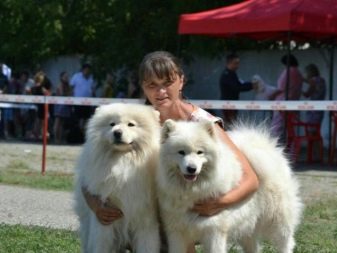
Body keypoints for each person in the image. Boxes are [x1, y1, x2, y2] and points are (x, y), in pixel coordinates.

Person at [82, 51, 259, 252]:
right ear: (143, 87)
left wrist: (219, 203)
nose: (160, 92)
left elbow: (251, 180)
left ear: (181, 81)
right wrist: (95, 204)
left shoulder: (203, 124)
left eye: (167, 83)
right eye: (152, 85)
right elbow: (90, 170)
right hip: (144, 212)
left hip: (184, 214)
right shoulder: (136, 119)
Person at [269, 54, 303, 140]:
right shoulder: (298, 73)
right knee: (290, 129)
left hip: (282, 102)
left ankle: (272, 146)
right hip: (294, 103)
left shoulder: (288, 72)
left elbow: (281, 88)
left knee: (276, 125)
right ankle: (290, 149)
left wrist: (271, 95)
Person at [219, 53, 256, 127]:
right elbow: (237, 87)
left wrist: (251, 84)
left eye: (238, 63)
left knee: (232, 123)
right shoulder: (226, 75)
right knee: (230, 125)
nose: (237, 66)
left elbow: (240, 84)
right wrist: (252, 86)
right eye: (235, 63)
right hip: (228, 105)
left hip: (233, 104)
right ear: (229, 63)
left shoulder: (232, 74)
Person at [70, 63, 96, 133]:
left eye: (89, 70)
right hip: (78, 101)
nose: (87, 71)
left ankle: (83, 132)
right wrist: (71, 100)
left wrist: (94, 100)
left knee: (86, 118)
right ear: (83, 70)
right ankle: (78, 133)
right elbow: (71, 88)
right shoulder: (76, 76)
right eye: (86, 69)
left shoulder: (91, 78)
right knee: (78, 118)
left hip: (88, 102)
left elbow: (93, 90)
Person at [53, 71, 72, 144]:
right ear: (61, 78)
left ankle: (59, 139)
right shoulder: (60, 85)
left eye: (67, 77)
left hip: (65, 105)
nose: (67, 78)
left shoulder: (68, 86)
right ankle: (56, 138)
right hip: (59, 105)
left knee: (61, 123)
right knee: (57, 122)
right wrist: (69, 93)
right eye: (65, 77)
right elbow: (62, 94)